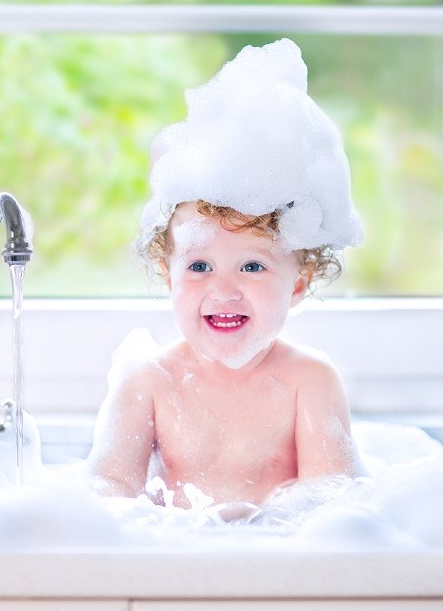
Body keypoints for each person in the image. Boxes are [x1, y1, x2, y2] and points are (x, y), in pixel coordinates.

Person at [87, 39, 364, 509]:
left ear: (297, 283)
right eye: (198, 266)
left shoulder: (309, 381)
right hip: (176, 564)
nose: (224, 289)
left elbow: (330, 504)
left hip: (275, 568)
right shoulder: (148, 381)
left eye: (252, 266)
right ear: (167, 274)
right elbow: (109, 494)